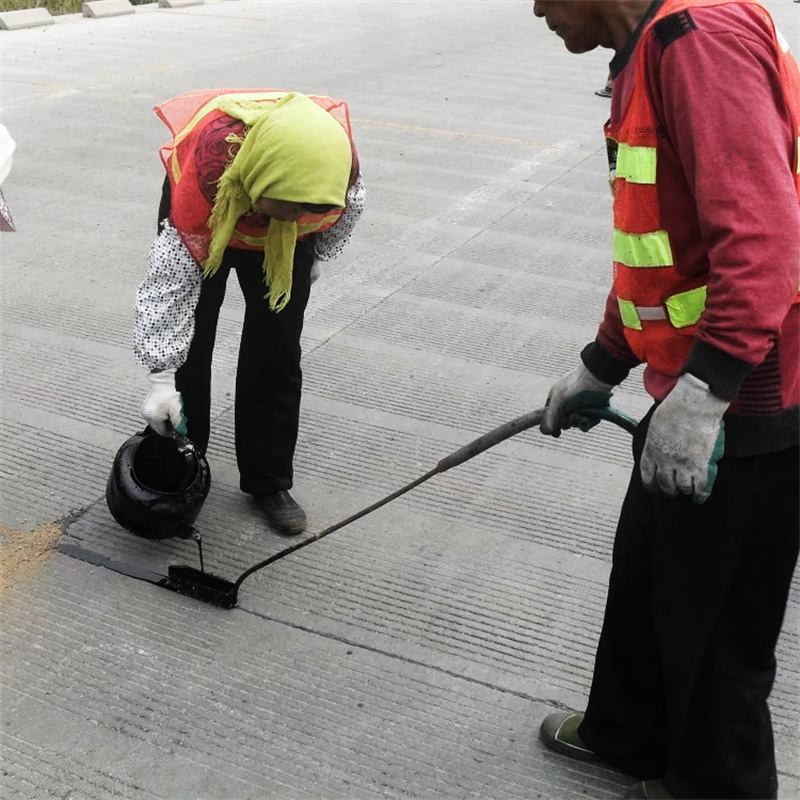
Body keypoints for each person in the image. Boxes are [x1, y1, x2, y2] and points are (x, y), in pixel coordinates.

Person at [531, 2, 800, 798]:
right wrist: (601, 364)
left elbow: (762, 235)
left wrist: (710, 392)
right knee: (650, 568)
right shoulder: (646, 54)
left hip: (748, 393)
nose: (537, 9)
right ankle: (630, 734)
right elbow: (654, 248)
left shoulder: (696, 44)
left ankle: (715, 785)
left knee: (715, 626)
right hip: (692, 377)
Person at [134, 89, 365, 535]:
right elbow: (169, 291)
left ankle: (268, 481)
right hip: (219, 201)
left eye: (310, 212)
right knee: (192, 336)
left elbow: (344, 211)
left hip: (284, 214)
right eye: (290, 209)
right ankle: (182, 465)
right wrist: (161, 380)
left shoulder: (335, 173)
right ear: (262, 181)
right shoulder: (203, 181)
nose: (297, 219)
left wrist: (317, 252)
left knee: (276, 349)